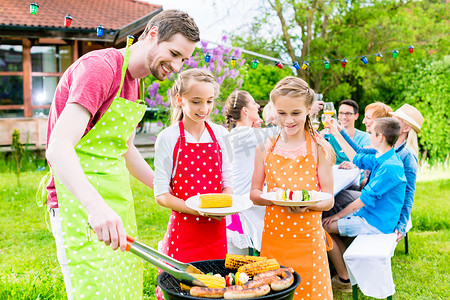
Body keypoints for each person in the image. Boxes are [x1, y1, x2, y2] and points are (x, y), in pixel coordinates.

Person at [41, 10, 199, 299]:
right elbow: (58, 148)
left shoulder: (134, 82)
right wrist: (95, 206)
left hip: (115, 204)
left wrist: (166, 187)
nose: (177, 66)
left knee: (122, 290)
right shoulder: (100, 68)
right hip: (81, 204)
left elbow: (124, 147)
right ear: (152, 35)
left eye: (183, 60)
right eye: (174, 53)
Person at [250, 76, 335, 299]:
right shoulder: (265, 146)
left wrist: (308, 204)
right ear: (273, 110)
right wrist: (274, 198)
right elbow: (254, 194)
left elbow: (329, 199)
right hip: (274, 241)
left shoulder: (320, 147)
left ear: (309, 109)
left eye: (296, 113)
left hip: (308, 242)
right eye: (282, 113)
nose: (288, 120)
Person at [153, 68, 233, 263]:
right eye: (196, 102)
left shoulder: (222, 135)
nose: (204, 109)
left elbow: (228, 182)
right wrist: (198, 210)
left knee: (214, 286)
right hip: (183, 231)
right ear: (180, 99)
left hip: (215, 230)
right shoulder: (168, 138)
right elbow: (161, 195)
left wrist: (221, 207)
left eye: (209, 101)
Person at [323, 117, 407, 292]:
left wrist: (336, 216)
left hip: (376, 223)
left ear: (380, 137)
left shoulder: (390, 167)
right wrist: (337, 133)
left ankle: (344, 278)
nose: (368, 134)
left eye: (371, 132)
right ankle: (347, 270)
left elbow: (362, 201)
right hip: (372, 215)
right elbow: (357, 158)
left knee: (322, 227)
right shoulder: (383, 156)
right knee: (328, 219)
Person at [329, 104, 424, 242]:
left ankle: (336, 237)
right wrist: (341, 131)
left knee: (336, 199)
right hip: (375, 203)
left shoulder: (405, 155)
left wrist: (402, 224)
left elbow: (408, 192)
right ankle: (338, 240)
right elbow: (360, 152)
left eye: (396, 121)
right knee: (337, 197)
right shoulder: (388, 148)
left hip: (378, 209)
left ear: (406, 128)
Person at [223, 91, 278, 255]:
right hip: (246, 206)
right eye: (254, 103)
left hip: (234, 203)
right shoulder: (248, 135)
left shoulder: (233, 135)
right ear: (245, 111)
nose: (257, 106)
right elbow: (285, 133)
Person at [322, 100, 370, 218]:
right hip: (334, 181)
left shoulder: (364, 137)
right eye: (341, 113)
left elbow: (366, 157)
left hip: (353, 184)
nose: (344, 116)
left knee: (329, 201)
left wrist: (355, 164)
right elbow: (315, 138)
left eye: (348, 113)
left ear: (356, 116)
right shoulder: (329, 135)